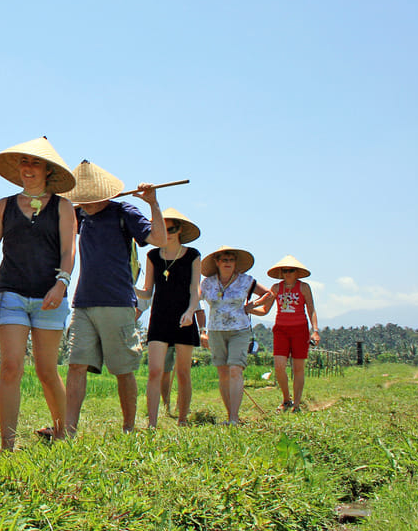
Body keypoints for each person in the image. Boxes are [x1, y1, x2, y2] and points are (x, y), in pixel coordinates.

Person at [0, 137, 75, 451]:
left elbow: (69, 251)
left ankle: (61, 432)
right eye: (24, 162)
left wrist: (61, 283)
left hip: (50, 296)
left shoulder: (63, 207)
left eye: (35, 162)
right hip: (10, 293)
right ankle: (7, 446)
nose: (28, 168)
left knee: (46, 370)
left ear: (47, 170)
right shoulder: (5, 205)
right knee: (11, 366)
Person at [64, 161, 166, 435]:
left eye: (89, 198)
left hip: (118, 302)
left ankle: (129, 428)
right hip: (83, 302)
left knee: (122, 369)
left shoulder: (124, 212)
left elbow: (159, 239)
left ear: (105, 194)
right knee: (76, 365)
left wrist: (153, 204)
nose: (85, 203)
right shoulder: (79, 215)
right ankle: (68, 430)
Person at [136, 208, 202, 427]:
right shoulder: (152, 256)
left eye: (171, 228)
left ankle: (182, 419)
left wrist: (191, 311)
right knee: (155, 371)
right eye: (163, 228)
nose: (168, 233)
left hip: (185, 318)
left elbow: (195, 290)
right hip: (160, 318)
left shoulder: (192, 255)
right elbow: (147, 292)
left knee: (183, 372)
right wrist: (128, 286)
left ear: (180, 229)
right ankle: (152, 423)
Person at [198, 247, 272, 425]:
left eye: (231, 260)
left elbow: (269, 294)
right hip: (216, 331)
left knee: (235, 370)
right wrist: (202, 331)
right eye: (224, 260)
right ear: (217, 262)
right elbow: (194, 301)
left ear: (235, 263)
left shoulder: (246, 281)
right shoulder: (207, 283)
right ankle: (230, 414)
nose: (227, 263)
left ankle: (234, 417)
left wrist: (251, 306)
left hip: (240, 330)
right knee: (223, 372)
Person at [256, 255, 319, 413]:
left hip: (300, 330)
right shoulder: (276, 288)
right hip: (281, 330)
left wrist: (315, 331)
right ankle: (286, 399)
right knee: (279, 366)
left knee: (298, 368)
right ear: (281, 273)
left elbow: (311, 309)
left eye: (291, 270)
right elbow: (265, 310)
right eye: (285, 271)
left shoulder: (304, 287)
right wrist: (248, 309)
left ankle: (296, 404)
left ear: (297, 272)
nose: (288, 273)